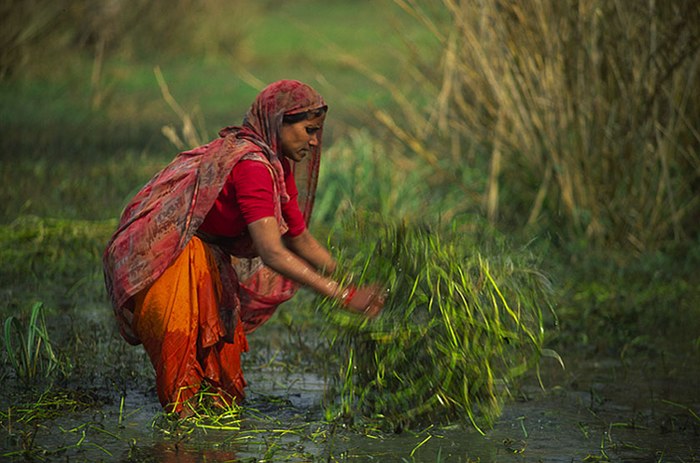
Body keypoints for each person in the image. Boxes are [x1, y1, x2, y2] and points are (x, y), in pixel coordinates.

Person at [103, 80, 385, 416]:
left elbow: (299, 238)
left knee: (222, 391)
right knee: (182, 391)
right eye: (309, 130)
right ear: (278, 122)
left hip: (208, 260)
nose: (314, 141)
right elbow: (273, 252)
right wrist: (342, 296)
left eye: (317, 132)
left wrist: (352, 279)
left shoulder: (277, 165)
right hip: (170, 263)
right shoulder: (252, 166)